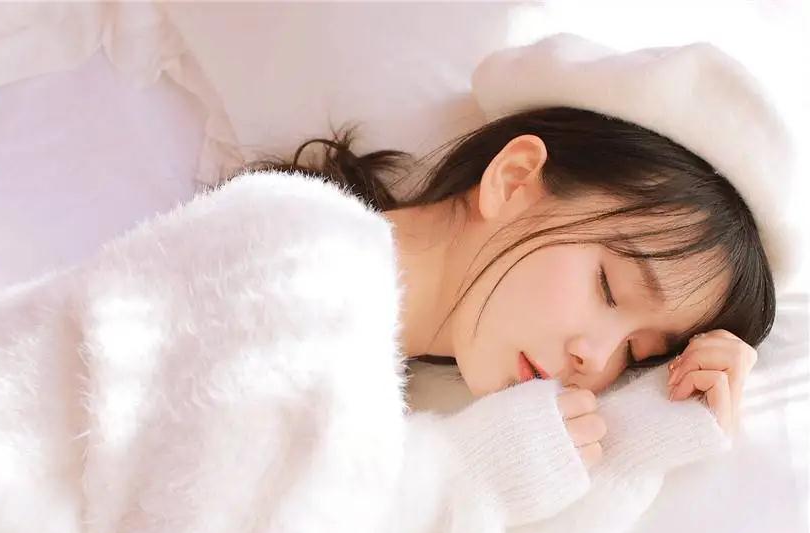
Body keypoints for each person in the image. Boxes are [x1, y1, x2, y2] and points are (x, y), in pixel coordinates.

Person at [220, 34, 800, 467]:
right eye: (609, 288)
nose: (596, 361)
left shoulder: (397, 400)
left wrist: (661, 433)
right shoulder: (275, 263)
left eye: (637, 351)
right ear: (515, 178)